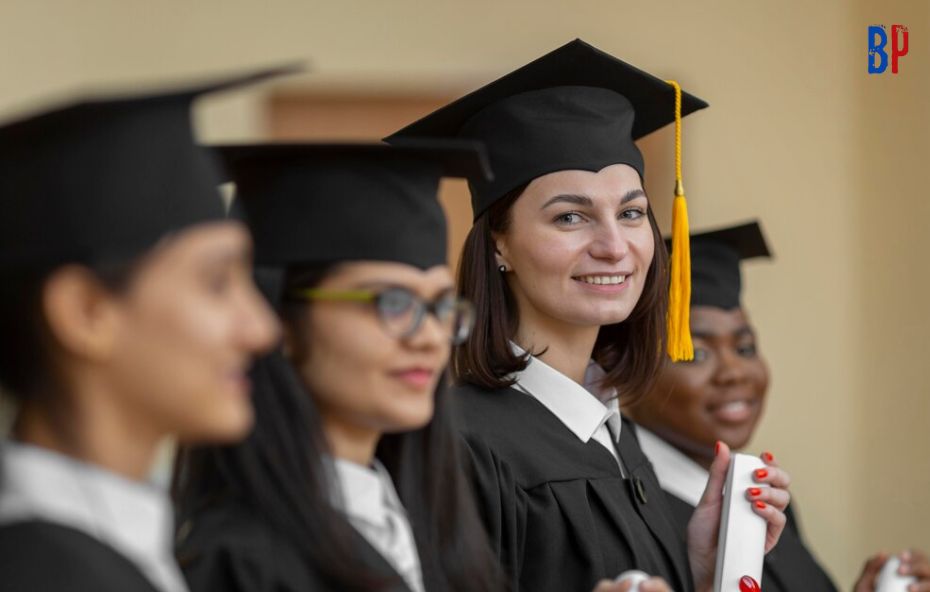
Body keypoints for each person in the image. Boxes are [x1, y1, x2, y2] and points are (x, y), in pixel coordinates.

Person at [386, 38, 791, 592]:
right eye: (571, 217)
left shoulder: (617, 435)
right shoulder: (460, 445)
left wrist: (698, 569)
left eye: (630, 212)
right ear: (499, 245)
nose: (614, 245)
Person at [174, 141, 515, 592]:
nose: (430, 336)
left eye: (440, 305)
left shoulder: (431, 527)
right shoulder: (239, 561)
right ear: (277, 321)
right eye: (391, 302)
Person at [0, 68, 286, 592]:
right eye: (218, 283)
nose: (262, 330)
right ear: (86, 312)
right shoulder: (45, 574)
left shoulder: (122, 546)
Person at [625, 220, 930, 592]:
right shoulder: (625, 513)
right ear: (626, 366)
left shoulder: (762, 498)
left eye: (745, 347)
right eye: (697, 353)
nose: (734, 373)